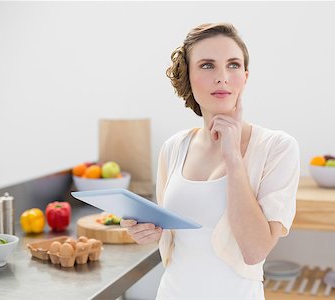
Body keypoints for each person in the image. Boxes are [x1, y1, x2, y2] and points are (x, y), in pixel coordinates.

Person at [121, 22, 300, 300]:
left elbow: (254, 251)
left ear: (245, 76)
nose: (222, 77)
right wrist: (147, 232)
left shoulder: (277, 148)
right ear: (188, 77)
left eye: (233, 65)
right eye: (207, 65)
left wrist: (232, 157)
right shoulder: (174, 148)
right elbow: (174, 238)